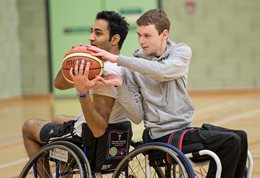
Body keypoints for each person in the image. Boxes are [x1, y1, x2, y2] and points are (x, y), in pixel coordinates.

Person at [87, 9, 248, 178]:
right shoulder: (132, 68)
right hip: (161, 137)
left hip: (184, 130)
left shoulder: (181, 52)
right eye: (139, 35)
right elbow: (136, 116)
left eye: (147, 36)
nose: (141, 41)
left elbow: (162, 71)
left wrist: (119, 60)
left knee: (241, 137)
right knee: (231, 142)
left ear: (164, 34)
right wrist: (120, 86)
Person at [22, 10, 132, 174]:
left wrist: (83, 93)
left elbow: (98, 128)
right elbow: (59, 84)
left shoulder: (105, 72)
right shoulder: (121, 65)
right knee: (58, 119)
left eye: (98, 33)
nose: (91, 37)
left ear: (115, 39)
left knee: (29, 127)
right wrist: (71, 61)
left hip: (89, 142)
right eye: (91, 31)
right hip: (117, 136)